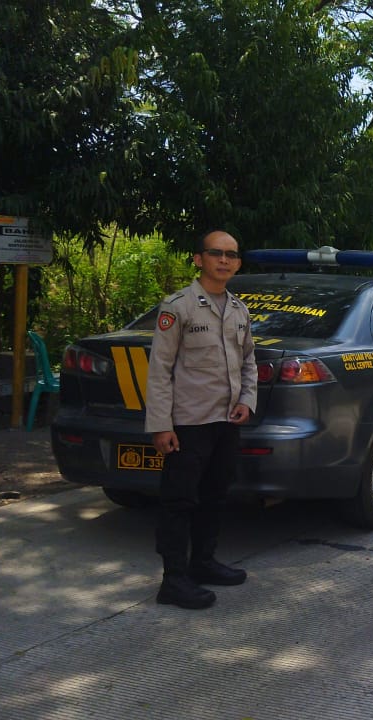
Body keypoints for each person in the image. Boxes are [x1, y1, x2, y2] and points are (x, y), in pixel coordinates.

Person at [145, 230, 257, 610]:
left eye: (231, 255)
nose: (224, 260)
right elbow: (159, 369)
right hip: (188, 422)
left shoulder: (239, 310)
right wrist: (161, 425)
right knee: (179, 500)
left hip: (226, 421)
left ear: (237, 263)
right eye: (216, 253)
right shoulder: (179, 307)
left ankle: (203, 563)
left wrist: (247, 400)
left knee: (215, 495)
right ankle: (174, 580)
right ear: (199, 259)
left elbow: (248, 361)